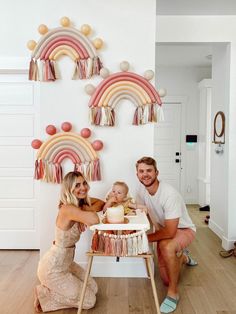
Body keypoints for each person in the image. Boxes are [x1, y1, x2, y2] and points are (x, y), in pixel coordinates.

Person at [34, 171, 104, 312]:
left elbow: (101, 204)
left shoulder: (77, 206)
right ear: (69, 189)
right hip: (52, 269)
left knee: (93, 288)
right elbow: (94, 219)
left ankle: (58, 289)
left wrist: (85, 205)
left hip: (66, 264)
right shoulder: (68, 209)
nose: (83, 187)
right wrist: (86, 208)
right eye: (77, 185)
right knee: (90, 300)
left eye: (84, 183)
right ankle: (44, 294)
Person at [135, 157, 197, 314]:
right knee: (165, 279)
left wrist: (144, 240)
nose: (145, 174)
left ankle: (173, 293)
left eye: (149, 171)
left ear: (156, 172)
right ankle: (183, 258)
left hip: (183, 230)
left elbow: (170, 232)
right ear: (137, 174)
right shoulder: (141, 189)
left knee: (166, 245)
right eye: (141, 171)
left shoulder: (169, 194)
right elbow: (143, 213)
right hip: (164, 228)